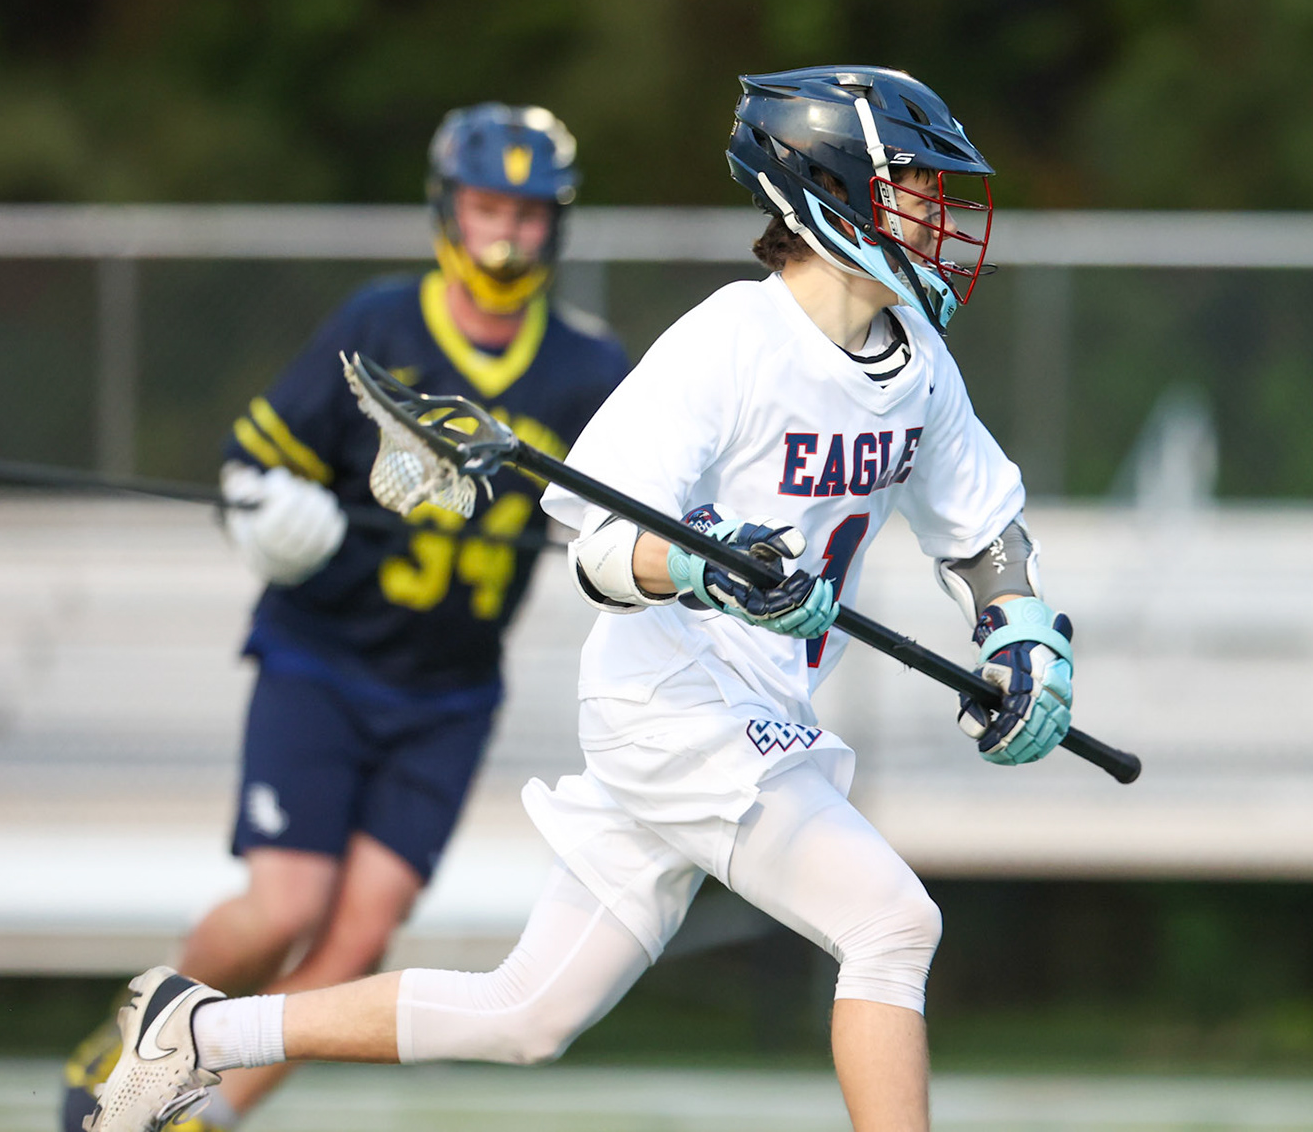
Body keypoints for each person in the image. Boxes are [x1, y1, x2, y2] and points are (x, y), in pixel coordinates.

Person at [82, 66, 1075, 1132]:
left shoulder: (919, 362)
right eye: (915, 183)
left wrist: (1020, 633)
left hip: (765, 703)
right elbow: (598, 550)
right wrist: (705, 561)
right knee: (890, 922)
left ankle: (198, 1031)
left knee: (526, 1013)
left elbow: (980, 529)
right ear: (833, 189)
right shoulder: (729, 343)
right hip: (675, 700)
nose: (938, 208)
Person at [60, 103, 630, 1132]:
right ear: (447, 208)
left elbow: (640, 510)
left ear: (560, 224)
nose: (505, 233)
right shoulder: (378, 323)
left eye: (528, 212)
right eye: (487, 206)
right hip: (322, 659)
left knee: (358, 934)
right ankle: (139, 1032)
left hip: (449, 689)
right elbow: (254, 459)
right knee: (286, 907)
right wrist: (271, 515)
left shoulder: (592, 373)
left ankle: (202, 1114)